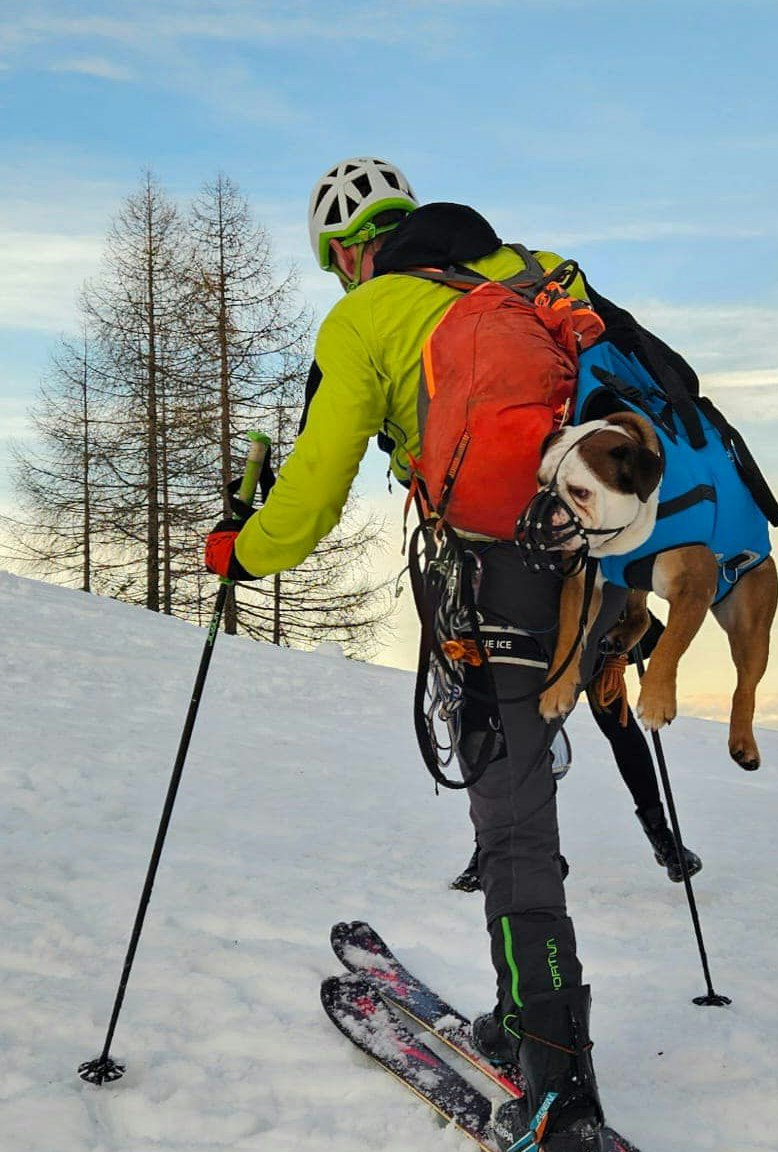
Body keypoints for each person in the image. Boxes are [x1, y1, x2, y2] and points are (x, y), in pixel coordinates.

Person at [203, 157, 617, 1149]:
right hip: (589, 558)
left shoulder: (365, 315)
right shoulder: (525, 273)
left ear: (345, 251)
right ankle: (527, 1018)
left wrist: (241, 550)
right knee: (519, 788)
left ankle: (557, 1075)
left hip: (493, 571)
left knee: (509, 807)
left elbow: (311, 486)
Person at [450, 612, 702, 892]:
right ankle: (496, 845)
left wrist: (624, 629)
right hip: (536, 626)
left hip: (593, 625)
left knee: (616, 722)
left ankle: (661, 835)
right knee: (516, 739)